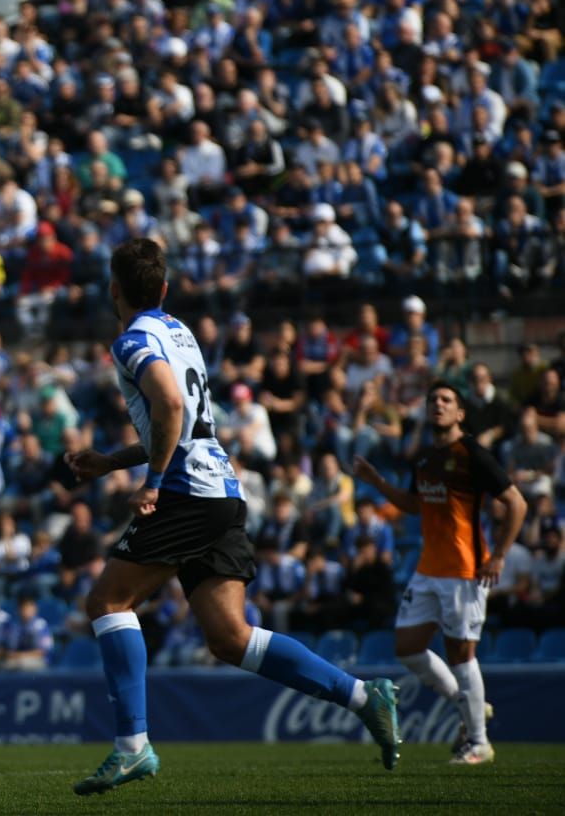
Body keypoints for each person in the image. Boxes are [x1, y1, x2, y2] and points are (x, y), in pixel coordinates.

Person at [66, 238, 398, 795]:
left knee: (107, 602)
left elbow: (171, 406)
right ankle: (364, 695)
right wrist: (112, 461)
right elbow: (184, 420)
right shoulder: (180, 332)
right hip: (219, 488)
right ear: (165, 290)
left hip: (183, 492)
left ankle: (132, 747)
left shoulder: (130, 340)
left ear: (113, 290)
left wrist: (149, 483)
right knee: (230, 638)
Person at [355, 382, 528, 766]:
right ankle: (471, 706)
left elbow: (516, 503)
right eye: (433, 399)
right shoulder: (427, 458)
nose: (438, 404)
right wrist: (378, 482)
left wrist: (498, 555)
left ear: (461, 414)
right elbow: (415, 505)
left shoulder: (474, 455)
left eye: (447, 400)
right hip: (428, 569)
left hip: (465, 570)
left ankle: (479, 743)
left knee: (461, 655)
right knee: (408, 648)